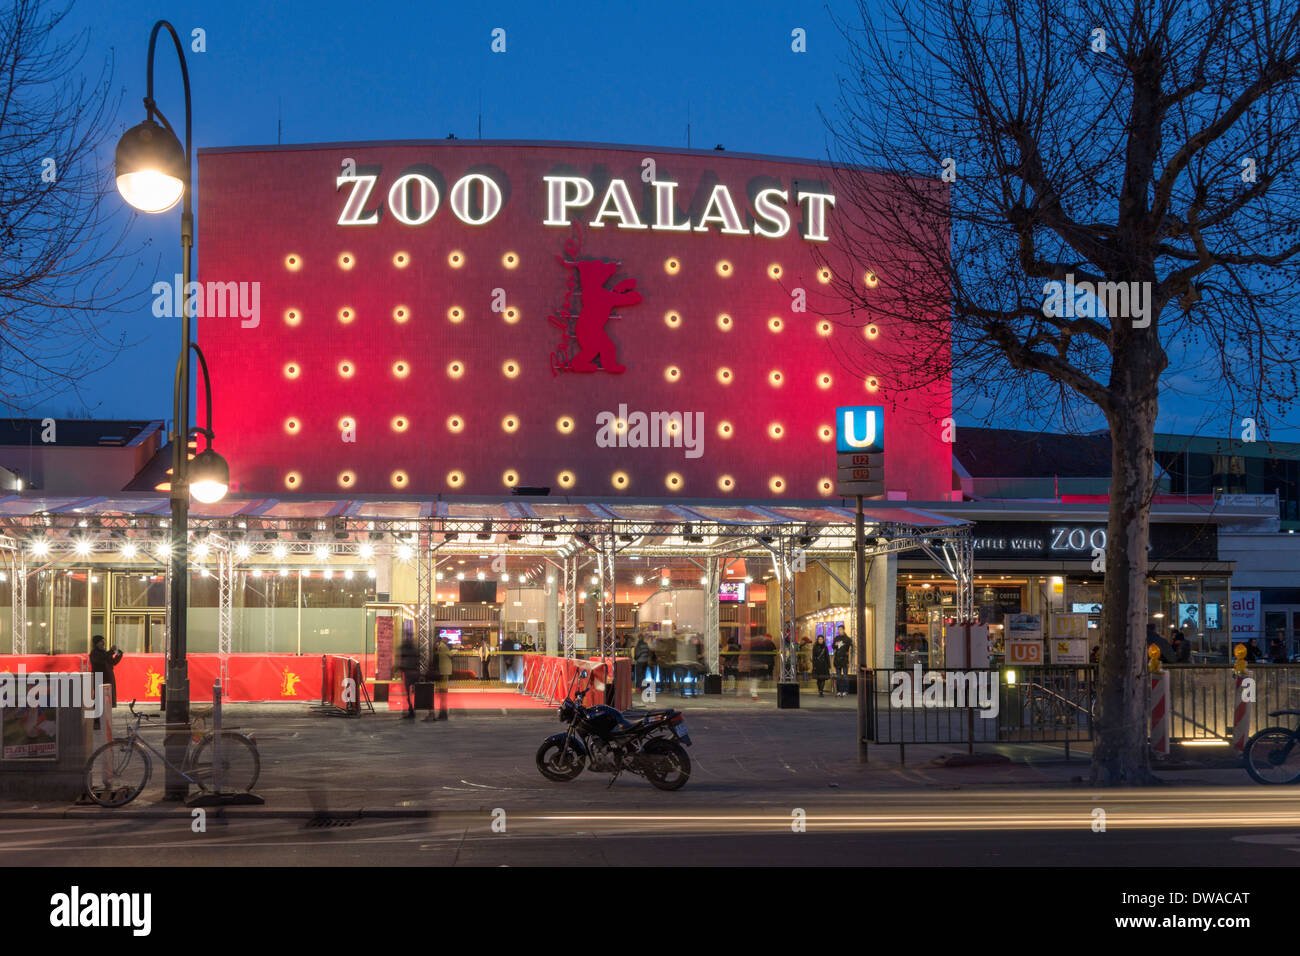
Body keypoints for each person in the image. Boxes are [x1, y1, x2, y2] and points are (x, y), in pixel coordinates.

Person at [89, 635, 123, 731]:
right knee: (98, 700)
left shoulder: (104, 652)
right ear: (96, 643)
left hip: (108, 677)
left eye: (103, 641)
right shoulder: (94, 653)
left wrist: (118, 654)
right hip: (99, 678)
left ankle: (104, 720)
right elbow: (101, 660)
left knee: (106, 700)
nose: (103, 643)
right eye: (101, 641)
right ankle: (96, 721)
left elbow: (112, 662)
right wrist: (111, 651)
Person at [427, 636, 453, 720]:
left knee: (442, 693)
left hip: (442, 672)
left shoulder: (440, 647)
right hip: (443, 671)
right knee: (443, 693)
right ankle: (443, 713)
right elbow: (450, 655)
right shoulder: (443, 647)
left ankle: (442, 713)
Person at [394, 635, 420, 719]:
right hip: (415, 672)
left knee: (406, 693)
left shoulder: (403, 648)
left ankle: (409, 710)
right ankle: (412, 710)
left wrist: (397, 669)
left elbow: (400, 660)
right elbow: (417, 660)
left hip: (407, 672)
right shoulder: (415, 648)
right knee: (413, 693)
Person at [832, 626, 853, 697]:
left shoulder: (847, 639)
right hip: (837, 659)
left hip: (844, 659)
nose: (839, 631)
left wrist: (849, 658)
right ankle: (839, 691)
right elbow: (833, 646)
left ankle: (845, 691)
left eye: (841, 629)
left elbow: (850, 648)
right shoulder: (836, 638)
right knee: (838, 676)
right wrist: (835, 645)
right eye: (838, 630)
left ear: (844, 630)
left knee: (845, 676)